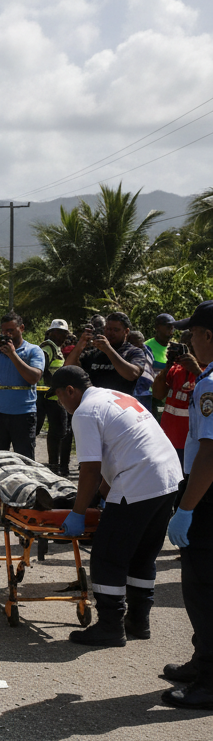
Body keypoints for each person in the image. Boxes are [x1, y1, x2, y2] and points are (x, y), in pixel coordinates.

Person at [51, 365, 181, 647]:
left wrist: (78, 512)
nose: (61, 404)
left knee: (108, 556)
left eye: (60, 397)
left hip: (138, 481)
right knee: (142, 555)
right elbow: (119, 453)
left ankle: (110, 626)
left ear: (70, 391)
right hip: (168, 478)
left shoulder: (85, 412)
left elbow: (90, 470)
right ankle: (138, 620)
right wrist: (100, 497)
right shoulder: (112, 396)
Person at [163, 302, 213, 708]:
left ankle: (209, 683)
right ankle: (202, 662)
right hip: (205, 492)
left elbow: (210, 454)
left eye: (193, 333)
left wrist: (187, 508)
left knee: (203, 589)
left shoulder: (210, 385)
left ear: (208, 335)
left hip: (208, 496)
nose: (190, 340)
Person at [0, 311, 45, 459]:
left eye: (11, 331)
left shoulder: (33, 351)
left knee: (25, 461)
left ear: (22, 328)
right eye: (3, 331)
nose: (7, 334)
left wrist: (13, 355)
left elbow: (33, 378)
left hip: (23, 415)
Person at [63, 310, 145, 394]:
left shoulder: (133, 352)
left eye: (116, 330)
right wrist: (80, 345)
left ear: (126, 332)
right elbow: (69, 367)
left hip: (120, 404)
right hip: (95, 403)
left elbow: (132, 374)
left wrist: (109, 350)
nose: (110, 333)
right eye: (108, 329)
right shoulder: (95, 353)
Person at [153, 331, 197, 465]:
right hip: (167, 440)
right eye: (183, 345)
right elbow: (158, 394)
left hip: (191, 444)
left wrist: (195, 369)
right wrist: (168, 366)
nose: (186, 349)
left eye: (189, 344)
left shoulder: (208, 370)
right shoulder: (175, 369)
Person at [39, 319, 71, 475]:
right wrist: (53, 387)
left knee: (57, 432)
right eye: (58, 332)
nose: (61, 335)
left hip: (53, 397)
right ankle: (53, 466)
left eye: (64, 333)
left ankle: (54, 465)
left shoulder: (56, 348)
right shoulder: (48, 347)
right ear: (50, 332)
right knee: (55, 432)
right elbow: (42, 368)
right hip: (47, 396)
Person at [126, 330, 157, 415]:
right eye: (135, 343)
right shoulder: (127, 352)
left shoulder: (146, 350)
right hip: (135, 391)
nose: (140, 346)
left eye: (141, 343)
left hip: (145, 391)